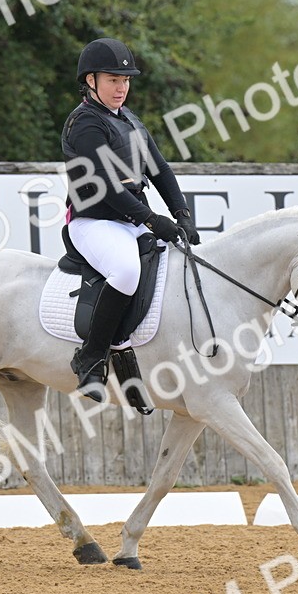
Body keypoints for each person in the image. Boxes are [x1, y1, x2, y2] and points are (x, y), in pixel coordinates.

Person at [61, 37, 199, 400]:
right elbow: (107, 188)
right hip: (94, 221)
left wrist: (182, 214)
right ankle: (91, 358)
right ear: (90, 81)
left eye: (126, 80)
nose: (121, 88)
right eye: (112, 80)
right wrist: (154, 221)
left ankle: (132, 354)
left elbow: (160, 169)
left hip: (129, 219)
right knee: (125, 271)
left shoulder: (130, 120)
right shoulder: (85, 124)